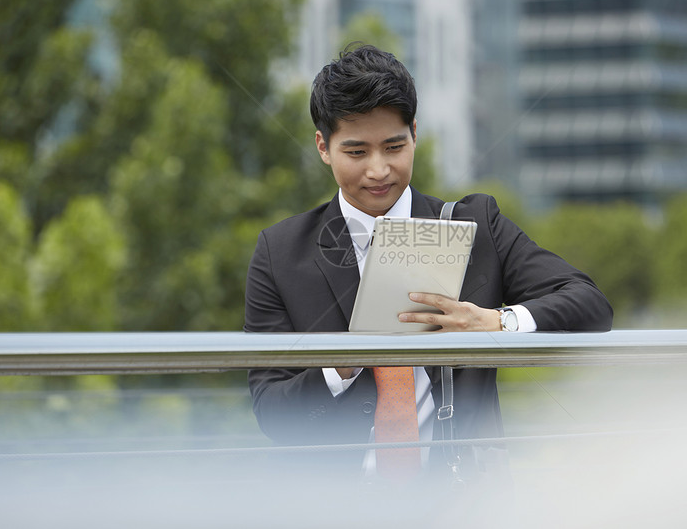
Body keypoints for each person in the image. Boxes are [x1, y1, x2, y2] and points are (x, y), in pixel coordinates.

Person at [244, 44, 613, 486]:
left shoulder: (477, 226)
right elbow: (272, 411)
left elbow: (591, 305)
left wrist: (495, 323)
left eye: (394, 146)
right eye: (357, 152)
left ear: (415, 133)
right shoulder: (280, 251)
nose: (379, 170)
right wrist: (339, 364)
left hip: (459, 500)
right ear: (324, 147)